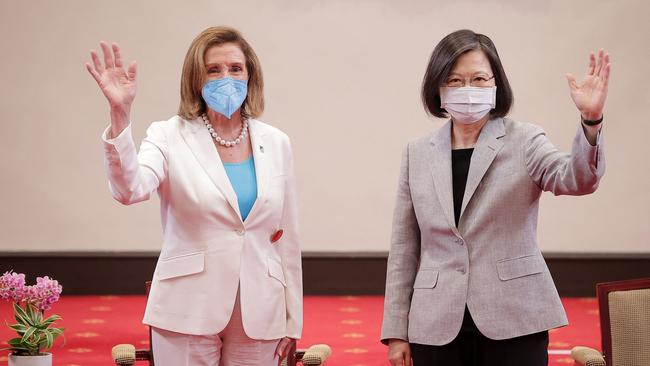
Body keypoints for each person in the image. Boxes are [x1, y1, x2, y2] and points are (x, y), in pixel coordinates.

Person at [381, 29, 609, 366]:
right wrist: (397, 331)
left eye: (478, 78)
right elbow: (404, 248)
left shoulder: (525, 140)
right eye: (455, 80)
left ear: (495, 83)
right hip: (435, 321)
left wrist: (591, 121)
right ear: (438, 89)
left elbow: (577, 179)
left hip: (514, 316)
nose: (467, 89)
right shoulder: (417, 153)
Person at [86, 26, 302, 365]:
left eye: (235, 68)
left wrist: (293, 319)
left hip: (261, 310)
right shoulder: (168, 134)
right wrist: (120, 114)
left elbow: (287, 237)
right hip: (186, 307)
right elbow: (131, 189)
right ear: (195, 80)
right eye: (213, 70)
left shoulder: (276, 142)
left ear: (250, 75)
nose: (225, 78)